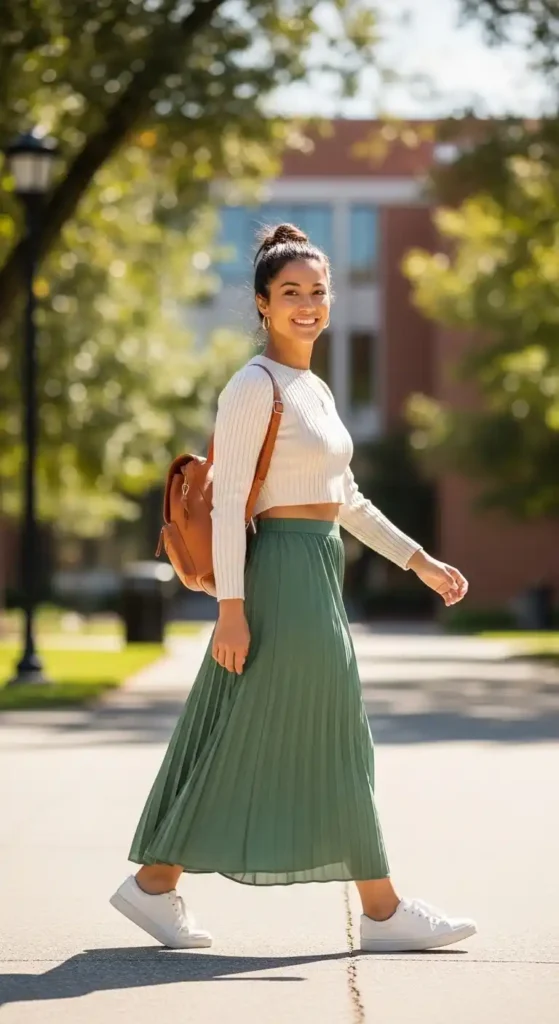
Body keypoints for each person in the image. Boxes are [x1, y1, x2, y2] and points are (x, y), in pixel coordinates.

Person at [110, 223, 476, 953]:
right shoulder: (253, 387)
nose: (306, 304)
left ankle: (154, 885)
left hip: (316, 565)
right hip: (276, 571)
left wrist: (419, 561)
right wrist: (232, 611)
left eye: (316, 292)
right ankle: (382, 910)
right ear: (262, 305)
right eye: (289, 294)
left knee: (252, 728)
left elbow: (346, 499)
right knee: (334, 734)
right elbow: (230, 501)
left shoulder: (313, 389)